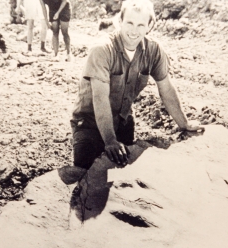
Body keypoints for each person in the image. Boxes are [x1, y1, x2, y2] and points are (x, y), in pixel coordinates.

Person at [70, 0, 204, 170]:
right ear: (120, 21)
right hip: (90, 123)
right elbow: (100, 97)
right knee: (86, 173)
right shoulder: (102, 50)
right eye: (130, 23)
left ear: (150, 26)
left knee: (125, 173)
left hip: (123, 120)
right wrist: (110, 140)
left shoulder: (154, 51)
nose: (134, 31)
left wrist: (184, 124)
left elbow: (166, 88)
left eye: (141, 25)